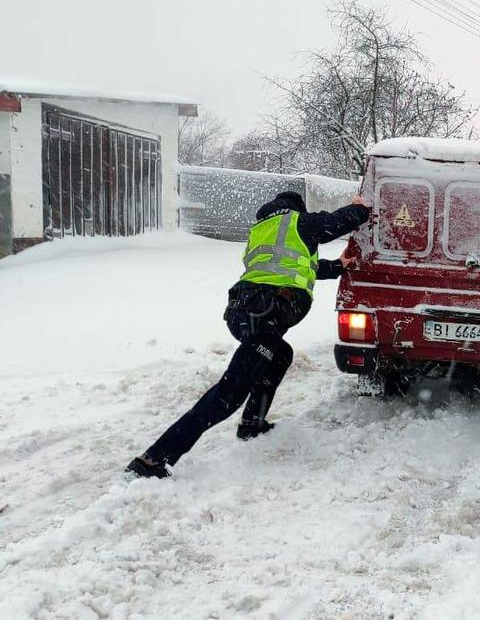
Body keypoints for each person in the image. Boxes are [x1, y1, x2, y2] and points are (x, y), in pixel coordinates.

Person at [126, 190, 371, 479]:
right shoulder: (296, 222)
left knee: (280, 354)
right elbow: (335, 222)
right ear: (295, 208)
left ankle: (252, 423)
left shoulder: (263, 230)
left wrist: (339, 267)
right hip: (265, 313)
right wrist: (360, 209)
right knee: (228, 394)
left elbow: (300, 266)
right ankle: (153, 459)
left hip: (246, 312)